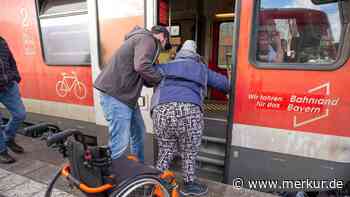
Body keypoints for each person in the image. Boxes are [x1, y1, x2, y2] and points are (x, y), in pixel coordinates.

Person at [151, 40, 230, 196]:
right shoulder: (201, 68)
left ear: (179, 53)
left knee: (166, 149)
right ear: (196, 56)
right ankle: (189, 184)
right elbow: (225, 85)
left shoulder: (166, 66)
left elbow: (149, 75)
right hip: (189, 111)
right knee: (189, 151)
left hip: (161, 110)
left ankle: (155, 183)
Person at [94, 25, 171, 162]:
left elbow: (140, 73)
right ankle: (113, 176)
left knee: (139, 133)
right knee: (120, 141)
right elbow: (141, 66)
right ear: (163, 37)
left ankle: (137, 168)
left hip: (126, 98)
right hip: (117, 96)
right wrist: (161, 79)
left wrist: (152, 80)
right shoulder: (148, 40)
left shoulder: (141, 39)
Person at [0, 36, 26, 164]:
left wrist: (15, 76)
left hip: (8, 85)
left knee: (20, 114)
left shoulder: (2, 41)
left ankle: (8, 138)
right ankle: (2, 151)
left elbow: (11, 60)